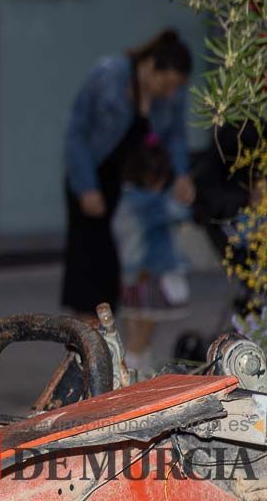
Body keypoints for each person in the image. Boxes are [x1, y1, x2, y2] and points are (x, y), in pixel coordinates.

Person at [62, 28, 194, 317]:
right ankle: (85, 348)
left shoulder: (171, 98)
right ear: (149, 67)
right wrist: (86, 187)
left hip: (134, 191)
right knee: (91, 276)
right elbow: (76, 135)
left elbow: (176, 137)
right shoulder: (108, 77)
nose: (170, 92)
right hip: (94, 180)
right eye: (167, 83)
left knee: (138, 275)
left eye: (177, 86)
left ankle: (128, 350)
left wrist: (182, 174)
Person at [111, 134, 192, 372]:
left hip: (128, 274)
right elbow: (179, 212)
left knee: (133, 326)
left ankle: (135, 369)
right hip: (150, 273)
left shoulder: (126, 198)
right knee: (144, 329)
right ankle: (132, 375)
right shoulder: (151, 202)